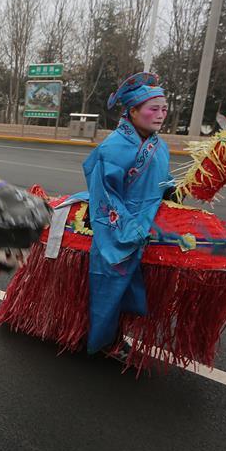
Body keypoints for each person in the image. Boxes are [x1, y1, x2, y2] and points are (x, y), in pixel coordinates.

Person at [77, 72, 174, 357]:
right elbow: (104, 196)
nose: (160, 115)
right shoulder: (113, 148)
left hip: (150, 222)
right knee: (111, 282)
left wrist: (172, 194)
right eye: (153, 109)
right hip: (122, 224)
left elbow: (163, 180)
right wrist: (129, 229)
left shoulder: (159, 144)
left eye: (164, 109)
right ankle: (103, 342)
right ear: (132, 111)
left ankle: (119, 332)